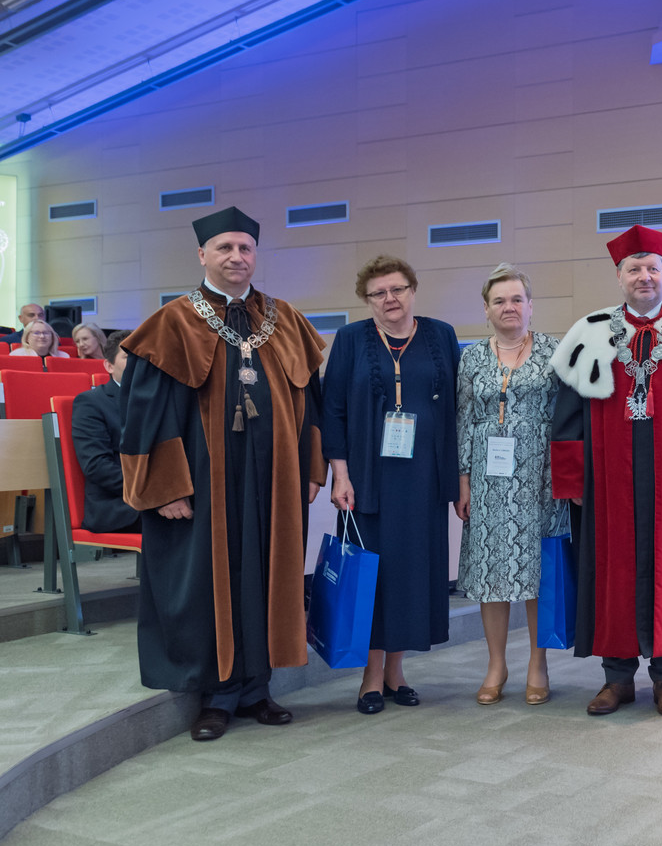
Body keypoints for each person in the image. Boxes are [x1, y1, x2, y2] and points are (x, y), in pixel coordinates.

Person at [119, 206, 327, 741]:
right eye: (225, 248)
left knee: (267, 572)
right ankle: (216, 696)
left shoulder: (285, 319)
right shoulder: (172, 323)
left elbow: (311, 403)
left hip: (274, 480)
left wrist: (310, 469)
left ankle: (257, 688)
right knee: (211, 580)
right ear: (202, 255)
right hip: (204, 481)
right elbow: (146, 413)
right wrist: (164, 486)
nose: (236, 256)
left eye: (245, 248)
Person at [549, 224, 662, 718]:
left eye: (653, 268)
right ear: (619, 276)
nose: (644, 276)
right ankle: (617, 679)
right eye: (634, 269)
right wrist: (572, 479)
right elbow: (566, 416)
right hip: (609, 479)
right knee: (611, 570)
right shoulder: (590, 332)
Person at [323, 256, 459, 715]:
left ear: (413, 290)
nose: (390, 299)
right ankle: (370, 676)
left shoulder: (440, 335)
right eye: (378, 293)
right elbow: (333, 410)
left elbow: (457, 409)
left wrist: (458, 478)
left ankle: (396, 673)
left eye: (397, 289)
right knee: (374, 576)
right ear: (367, 300)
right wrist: (340, 474)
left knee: (410, 574)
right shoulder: (349, 339)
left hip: (423, 478)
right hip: (369, 478)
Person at [455, 263, 567, 706]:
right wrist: (463, 480)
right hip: (488, 480)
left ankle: (538, 663)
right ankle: (496, 664)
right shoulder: (471, 358)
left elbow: (568, 418)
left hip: (542, 477)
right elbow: (463, 419)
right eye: (499, 300)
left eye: (517, 299)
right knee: (491, 571)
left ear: (530, 306)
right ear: (486, 309)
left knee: (539, 571)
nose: (509, 307)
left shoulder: (554, 352)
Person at [71, 330, 140, 534]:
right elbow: (97, 466)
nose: (138, 362)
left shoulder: (159, 400)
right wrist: (152, 491)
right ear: (109, 366)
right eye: (128, 357)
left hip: (161, 497)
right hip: (118, 505)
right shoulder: (90, 403)